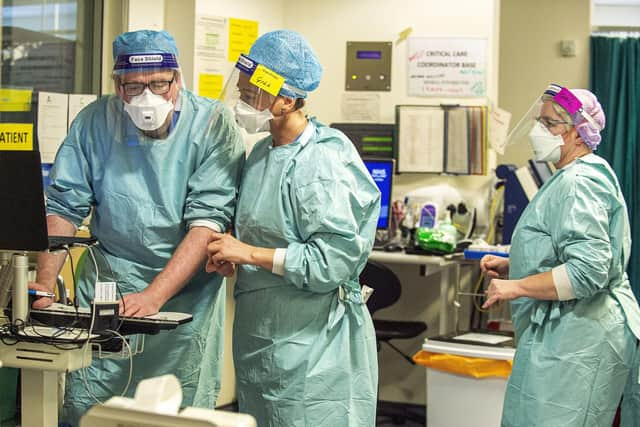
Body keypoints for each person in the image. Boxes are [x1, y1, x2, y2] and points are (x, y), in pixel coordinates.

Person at [29, 30, 245, 425]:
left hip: (184, 295)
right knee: (92, 404)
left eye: (159, 84)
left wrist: (154, 296)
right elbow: (63, 207)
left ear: (178, 80)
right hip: (109, 285)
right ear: (116, 86)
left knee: (179, 410)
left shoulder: (212, 126)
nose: (147, 96)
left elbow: (206, 223)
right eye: (133, 87)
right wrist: (43, 288)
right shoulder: (95, 122)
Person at [205, 30, 380, 426]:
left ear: (286, 100)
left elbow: (330, 261)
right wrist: (238, 259)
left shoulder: (322, 160)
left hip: (314, 348)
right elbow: (268, 238)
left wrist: (247, 253)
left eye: (254, 96)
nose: (244, 102)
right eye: (244, 91)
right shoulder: (264, 152)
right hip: (266, 340)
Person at [480, 84, 640, 426]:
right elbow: (569, 248)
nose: (540, 131)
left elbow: (588, 271)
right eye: (540, 121)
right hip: (571, 329)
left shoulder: (578, 182)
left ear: (579, 135)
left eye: (550, 124)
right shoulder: (576, 175)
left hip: (581, 333)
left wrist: (517, 287)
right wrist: (516, 265)